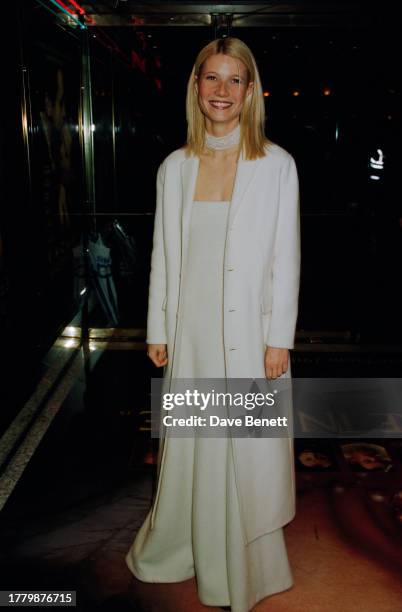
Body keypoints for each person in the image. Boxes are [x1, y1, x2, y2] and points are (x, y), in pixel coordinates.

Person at [125, 37, 301, 612]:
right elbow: (163, 256)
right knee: (195, 443)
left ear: (251, 92)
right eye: (211, 79)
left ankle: (244, 567)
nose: (221, 92)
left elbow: (286, 259)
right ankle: (184, 545)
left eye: (234, 80)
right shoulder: (174, 168)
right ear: (195, 87)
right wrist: (158, 329)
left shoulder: (277, 165)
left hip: (252, 336)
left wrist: (280, 340)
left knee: (245, 451)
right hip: (193, 334)